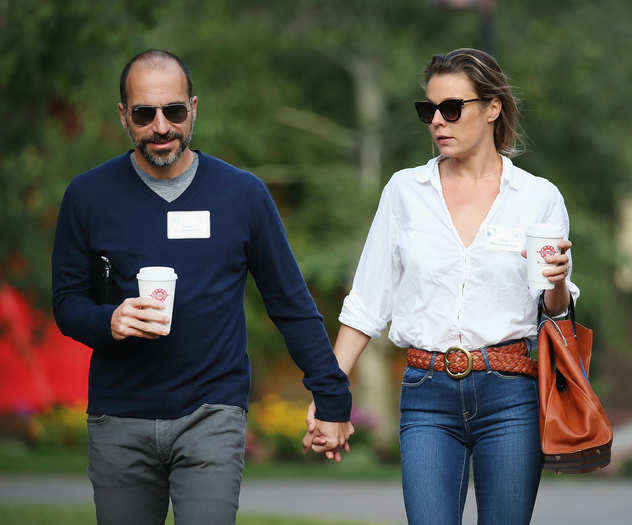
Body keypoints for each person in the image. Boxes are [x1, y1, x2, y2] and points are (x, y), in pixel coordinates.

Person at [51, 49, 354, 524]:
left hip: (212, 413)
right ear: (124, 116)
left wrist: (332, 399)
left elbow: (290, 304)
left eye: (173, 111)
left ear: (193, 108)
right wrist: (108, 320)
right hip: (119, 417)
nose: (161, 127)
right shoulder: (88, 196)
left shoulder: (242, 195)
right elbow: (67, 304)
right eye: (144, 114)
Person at [303, 48, 579, 524]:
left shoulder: (537, 197)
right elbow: (367, 302)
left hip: (511, 392)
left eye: (451, 108)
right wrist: (329, 395)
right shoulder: (405, 192)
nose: (436, 121)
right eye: (427, 110)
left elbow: (554, 314)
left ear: (492, 108)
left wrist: (556, 283)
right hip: (426, 392)